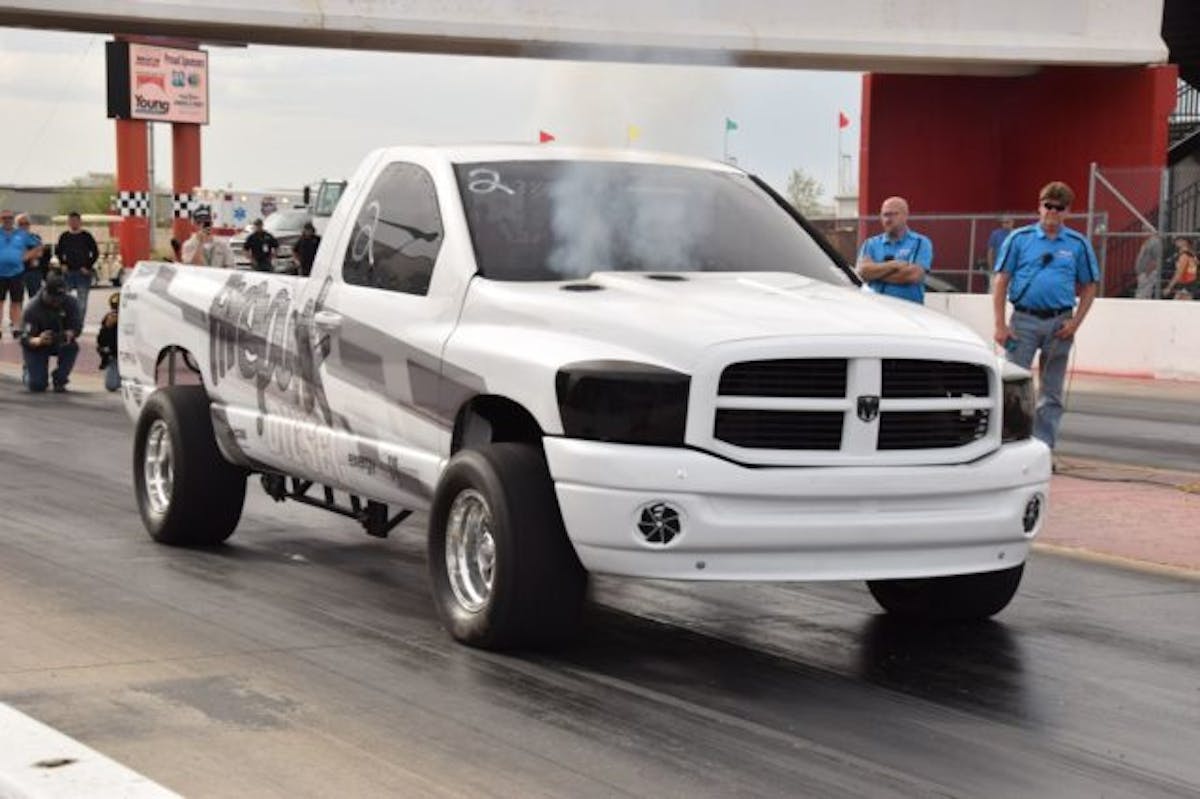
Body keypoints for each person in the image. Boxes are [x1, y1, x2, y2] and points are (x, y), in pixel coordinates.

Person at [992, 181, 1100, 450]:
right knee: (1013, 385)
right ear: (1039, 207)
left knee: (1051, 393)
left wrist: (1075, 323)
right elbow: (1001, 280)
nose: (1052, 211)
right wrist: (1000, 325)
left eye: (1058, 208)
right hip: (1023, 321)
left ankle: (1043, 448)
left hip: (1059, 323)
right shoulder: (1019, 239)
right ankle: (1011, 445)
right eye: (1047, 206)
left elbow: (1090, 286)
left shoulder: (1077, 244)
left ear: (1067, 211)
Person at [856, 196, 934, 304]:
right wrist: (895, 265)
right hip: (877, 308)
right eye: (885, 215)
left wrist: (875, 274)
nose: (888, 219)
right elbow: (863, 272)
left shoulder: (920, 242)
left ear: (905, 215)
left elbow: (913, 275)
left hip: (909, 309)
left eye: (893, 214)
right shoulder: (871, 244)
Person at [20, 270, 82, 393]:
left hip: (59, 339)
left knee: (72, 347)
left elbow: (77, 327)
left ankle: (60, 379)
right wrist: (38, 340)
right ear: (45, 292)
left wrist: (70, 333)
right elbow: (25, 337)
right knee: (37, 386)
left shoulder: (70, 303)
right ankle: (29, 370)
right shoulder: (33, 308)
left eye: (59, 299)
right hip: (37, 344)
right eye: (53, 299)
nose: (56, 302)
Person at [55, 211, 99, 321]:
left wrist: (88, 266)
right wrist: (62, 264)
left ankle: (78, 324)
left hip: (82, 273)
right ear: (68, 222)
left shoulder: (86, 236)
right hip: (68, 273)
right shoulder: (64, 236)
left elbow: (95, 252)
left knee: (81, 302)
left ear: (80, 222)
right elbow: (58, 252)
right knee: (64, 300)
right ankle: (66, 322)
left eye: (75, 221)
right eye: (71, 221)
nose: (73, 223)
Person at [0, 208, 36, 338]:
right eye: (4, 218)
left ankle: (16, 327)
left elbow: (38, 246)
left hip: (17, 272)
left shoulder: (22, 234)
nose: (7, 220)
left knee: (16, 302)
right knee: (0, 302)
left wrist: (27, 256)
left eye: (10, 218)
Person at [16, 214, 48, 297]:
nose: (24, 226)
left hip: (34, 272)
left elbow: (40, 253)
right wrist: (36, 250)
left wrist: (29, 253)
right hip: (17, 272)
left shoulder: (35, 237)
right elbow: (20, 256)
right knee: (17, 298)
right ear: (16, 225)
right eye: (21, 224)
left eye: (26, 223)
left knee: (36, 297)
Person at [97, 291, 121, 392]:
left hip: (131, 354)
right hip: (115, 355)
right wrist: (107, 327)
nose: (115, 314)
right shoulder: (108, 319)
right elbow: (101, 341)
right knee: (111, 385)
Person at [1162, 236, 1197, 300]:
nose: (1176, 242)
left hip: (1186, 283)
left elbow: (1179, 273)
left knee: (1179, 303)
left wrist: (1169, 287)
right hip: (1189, 282)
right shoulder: (1191, 254)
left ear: (1185, 242)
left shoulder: (1184, 256)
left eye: (1179, 240)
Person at [1133, 233, 1164, 299]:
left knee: (1144, 293)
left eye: (1145, 230)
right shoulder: (1148, 242)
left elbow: (1155, 259)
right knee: (1143, 293)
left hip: (1147, 272)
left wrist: (1147, 272)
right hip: (1144, 272)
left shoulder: (1155, 242)